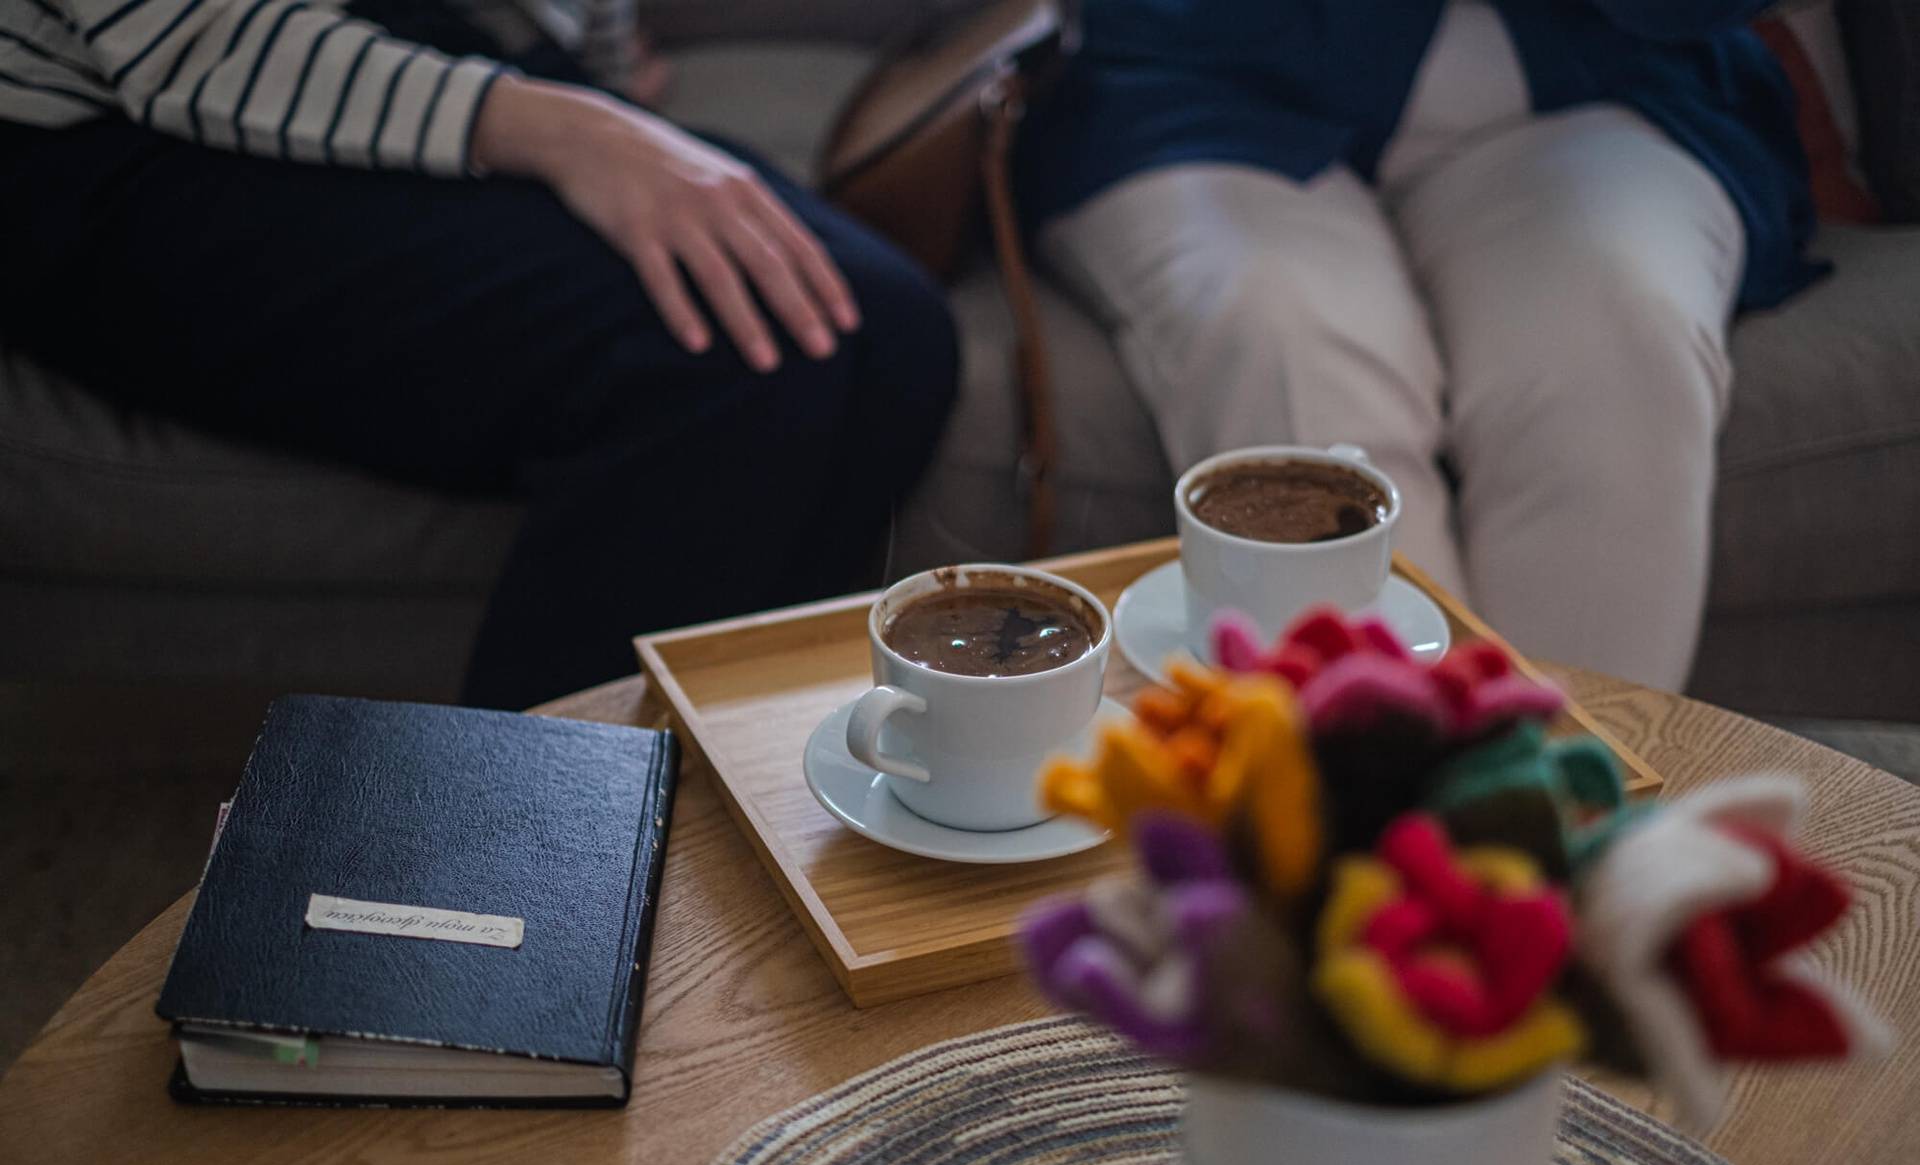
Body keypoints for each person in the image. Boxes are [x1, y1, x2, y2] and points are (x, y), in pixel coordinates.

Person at [0, 0, 960, 708]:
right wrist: (569, 128)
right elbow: (189, 45)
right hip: (117, 128)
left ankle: (712, 820)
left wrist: (599, 78)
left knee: (893, 337)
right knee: (723, 363)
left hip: (401, 40)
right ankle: (496, 895)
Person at [1020, 0, 1820, 691]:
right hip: (1204, 86)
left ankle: (1575, 820)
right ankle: (1388, 833)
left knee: (1616, 364)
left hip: (1599, 86)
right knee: (1295, 367)